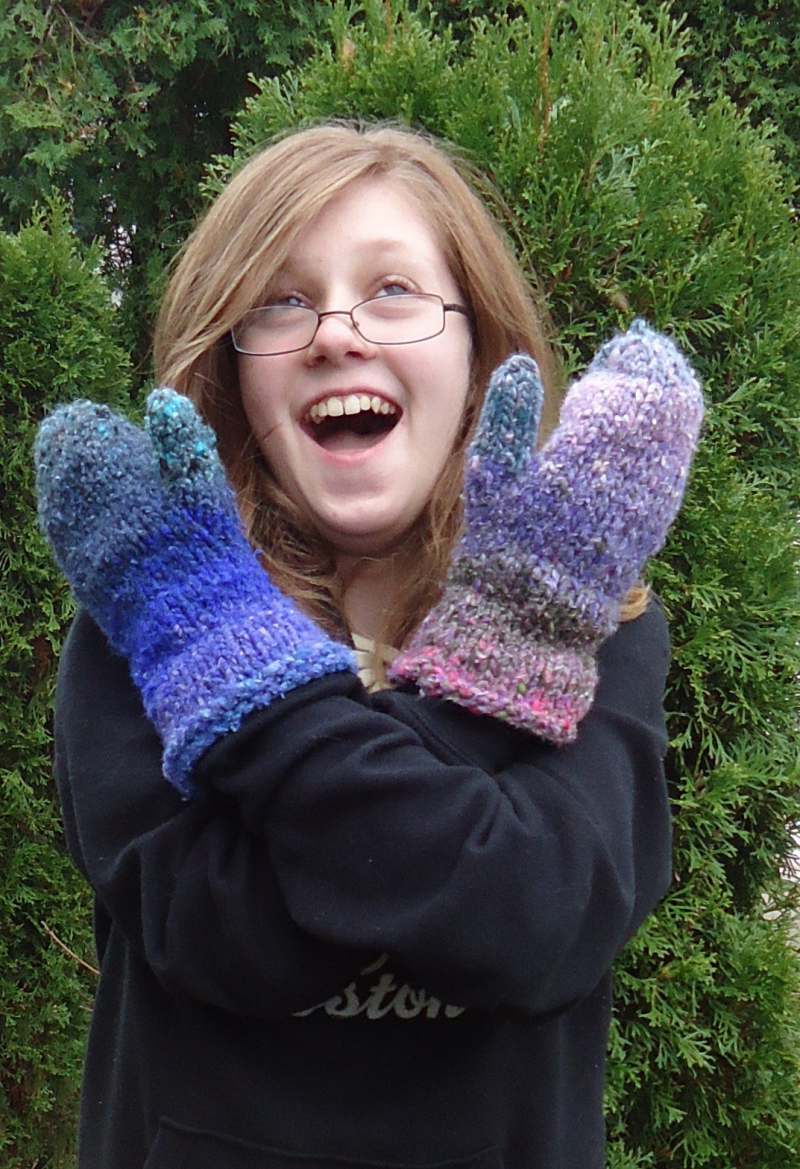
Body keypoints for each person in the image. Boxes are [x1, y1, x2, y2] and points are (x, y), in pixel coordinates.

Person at [35, 122, 704, 1169]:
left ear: (477, 350)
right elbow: (222, 941)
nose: (335, 334)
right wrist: (486, 706)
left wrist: (241, 687)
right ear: (231, 369)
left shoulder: (593, 620)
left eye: (394, 289)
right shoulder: (145, 612)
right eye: (280, 301)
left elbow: (535, 920)